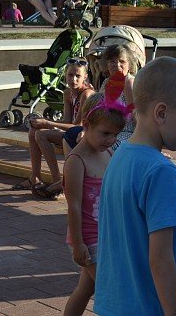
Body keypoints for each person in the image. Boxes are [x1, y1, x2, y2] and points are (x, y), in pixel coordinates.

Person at [94, 56, 176, 315]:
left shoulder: (119, 156)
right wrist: (175, 310)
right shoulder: (162, 171)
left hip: (115, 304)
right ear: (161, 113)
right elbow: (161, 257)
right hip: (150, 307)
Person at [62, 92, 126, 315]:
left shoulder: (108, 151)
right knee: (114, 291)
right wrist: (78, 243)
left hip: (107, 234)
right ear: (87, 125)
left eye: (115, 135)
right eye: (105, 133)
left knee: (86, 288)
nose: (111, 140)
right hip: (89, 239)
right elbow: (74, 206)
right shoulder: (76, 161)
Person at [19, 59, 95, 199]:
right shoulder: (68, 93)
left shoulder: (86, 94)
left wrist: (48, 123)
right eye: (70, 75)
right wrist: (44, 122)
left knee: (41, 135)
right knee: (33, 130)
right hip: (73, 132)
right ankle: (35, 176)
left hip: (84, 135)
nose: (73, 79)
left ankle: (58, 183)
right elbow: (67, 121)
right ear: (65, 75)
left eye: (78, 76)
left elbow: (77, 126)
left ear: (85, 77)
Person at [101, 44, 137, 150]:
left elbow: (135, 114)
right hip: (107, 130)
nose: (117, 65)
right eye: (112, 61)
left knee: (105, 148)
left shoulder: (128, 82)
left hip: (125, 132)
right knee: (72, 136)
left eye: (122, 61)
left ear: (129, 65)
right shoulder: (106, 82)